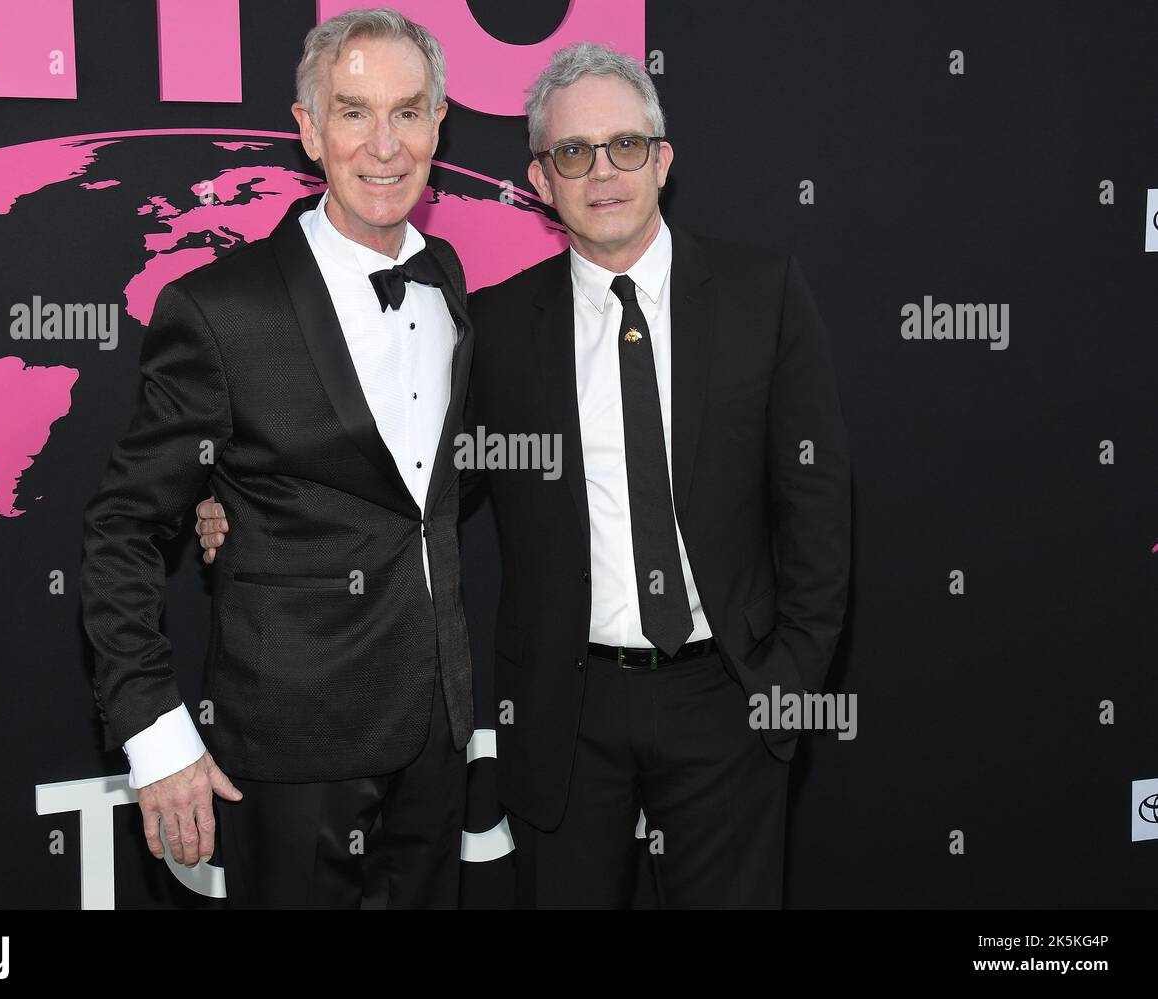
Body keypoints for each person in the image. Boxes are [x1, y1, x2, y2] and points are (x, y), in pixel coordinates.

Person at [198, 42, 852, 908]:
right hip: (562, 716)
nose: (602, 172)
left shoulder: (760, 294)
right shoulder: (498, 325)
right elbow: (418, 487)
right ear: (541, 182)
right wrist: (240, 499)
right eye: (572, 153)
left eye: (624, 146)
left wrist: (783, 690)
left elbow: (818, 505)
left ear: (662, 160)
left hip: (727, 701)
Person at [81, 7, 474, 908]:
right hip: (293, 749)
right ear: (307, 129)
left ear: (439, 123)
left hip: (437, 730)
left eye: (409, 112)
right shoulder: (221, 310)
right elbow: (123, 529)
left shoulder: (447, 278)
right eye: (352, 111)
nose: (385, 145)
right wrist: (157, 733)